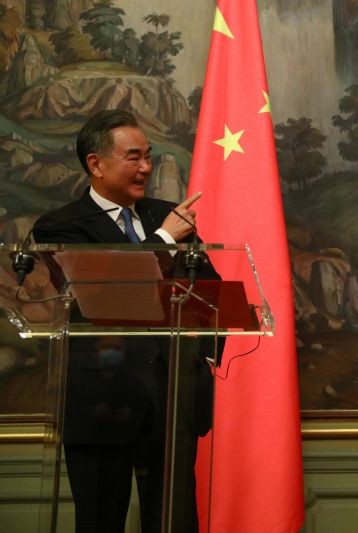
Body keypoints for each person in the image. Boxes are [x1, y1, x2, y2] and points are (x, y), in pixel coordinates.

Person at [33, 110, 220, 533]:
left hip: (172, 402)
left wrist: (202, 358)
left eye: (149, 157)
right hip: (101, 402)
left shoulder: (168, 215)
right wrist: (166, 241)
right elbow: (105, 295)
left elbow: (209, 292)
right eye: (134, 157)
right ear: (95, 164)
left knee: (174, 523)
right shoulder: (62, 225)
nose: (147, 168)